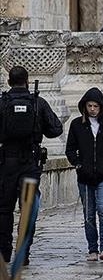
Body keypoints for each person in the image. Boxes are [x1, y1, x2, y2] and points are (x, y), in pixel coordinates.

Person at [0, 66, 63, 264]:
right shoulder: (38, 103)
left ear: (9, 82)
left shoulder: (2, 103)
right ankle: (23, 252)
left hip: (5, 163)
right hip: (30, 163)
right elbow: (55, 129)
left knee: (4, 210)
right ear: (27, 81)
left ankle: (4, 252)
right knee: (27, 208)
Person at [65, 88, 103, 261]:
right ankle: (92, 249)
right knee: (88, 213)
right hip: (85, 176)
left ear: (101, 107)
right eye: (89, 105)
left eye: (96, 106)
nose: (92, 109)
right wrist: (78, 164)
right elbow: (70, 149)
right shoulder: (77, 124)